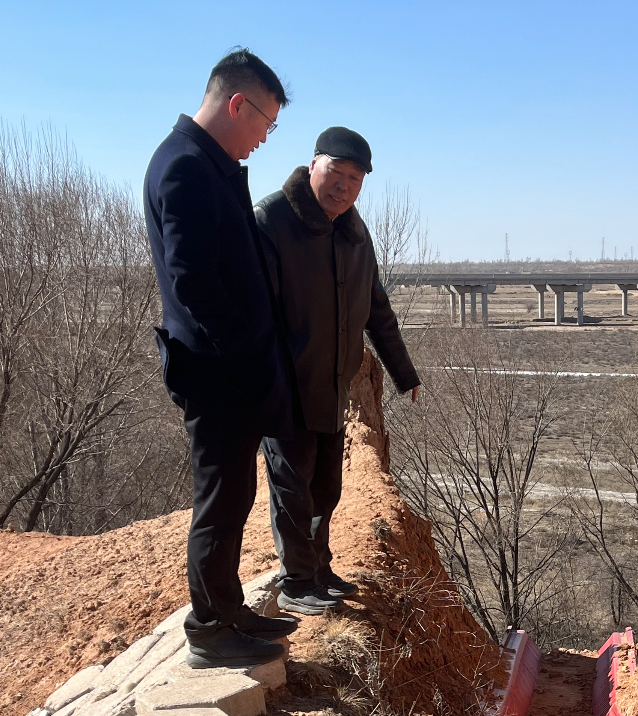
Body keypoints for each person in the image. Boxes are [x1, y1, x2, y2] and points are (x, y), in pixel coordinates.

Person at [144, 48, 299, 668]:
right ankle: (210, 628)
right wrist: (247, 356)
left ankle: (228, 608)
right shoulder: (184, 166)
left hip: (229, 370)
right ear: (238, 103)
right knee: (219, 499)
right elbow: (194, 284)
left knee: (235, 496)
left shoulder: (211, 164)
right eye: (266, 123)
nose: (265, 139)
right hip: (215, 373)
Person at [254, 127, 420, 615]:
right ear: (313, 166)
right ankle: (295, 580)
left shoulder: (354, 232)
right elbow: (251, 313)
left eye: (354, 178)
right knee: (291, 483)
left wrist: (403, 371)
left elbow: (375, 307)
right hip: (285, 387)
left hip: (332, 384)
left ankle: (319, 568)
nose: (343, 185)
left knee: (326, 484)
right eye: (335, 172)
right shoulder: (271, 221)